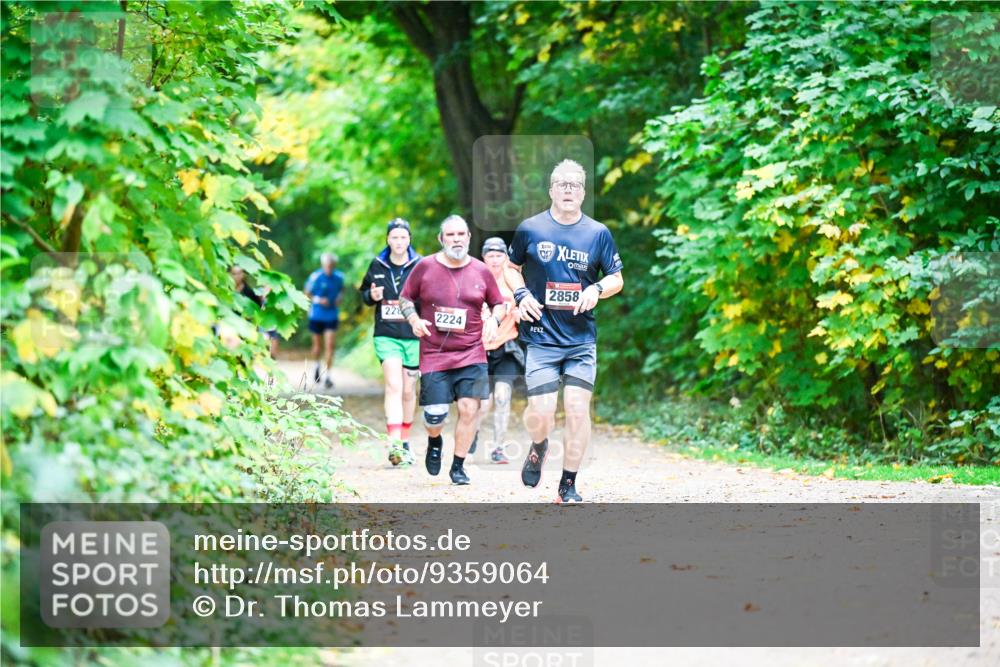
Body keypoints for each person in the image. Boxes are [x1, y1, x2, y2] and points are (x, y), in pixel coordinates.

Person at [506, 159, 624, 504]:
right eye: (562, 184)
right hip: (541, 339)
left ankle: (568, 485)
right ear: (551, 190)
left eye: (575, 184)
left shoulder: (598, 233)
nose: (569, 189)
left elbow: (617, 278)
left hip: (580, 341)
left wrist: (597, 289)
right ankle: (539, 445)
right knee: (541, 414)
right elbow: (511, 269)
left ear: (583, 192)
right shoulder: (530, 228)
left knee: (576, 408)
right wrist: (521, 293)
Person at [399, 215, 506, 485]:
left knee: (470, 408)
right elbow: (405, 297)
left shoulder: (481, 271)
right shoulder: (425, 267)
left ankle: (458, 466)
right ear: (441, 239)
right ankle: (434, 441)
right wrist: (413, 319)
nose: (456, 239)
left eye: (461, 234)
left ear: (469, 237)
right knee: (435, 415)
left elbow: (499, 304)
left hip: (472, 351)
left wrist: (494, 320)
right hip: (435, 352)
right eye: (451, 235)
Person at [360, 218, 422, 466]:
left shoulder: (419, 265)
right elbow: (363, 294)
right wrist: (370, 295)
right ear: (388, 239)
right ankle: (394, 444)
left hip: (413, 337)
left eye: (403, 237)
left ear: (409, 239)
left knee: (409, 391)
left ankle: (405, 440)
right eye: (394, 237)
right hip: (386, 335)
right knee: (394, 386)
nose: (398, 242)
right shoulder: (377, 264)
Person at [473, 236, 524, 465]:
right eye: (490, 256)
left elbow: (524, 308)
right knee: (483, 404)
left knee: (503, 397)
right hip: (479, 350)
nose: (495, 260)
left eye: (499, 255)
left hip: (506, 348)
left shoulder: (513, 279)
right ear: (484, 257)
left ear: (505, 257)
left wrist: (521, 316)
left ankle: (498, 448)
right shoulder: (474, 278)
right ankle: (471, 436)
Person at [304, 252, 345, 390]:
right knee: (317, 347)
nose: (329, 268)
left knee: (330, 346)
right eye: (327, 265)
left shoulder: (339, 277)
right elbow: (306, 293)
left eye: (331, 265)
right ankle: (316, 365)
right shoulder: (315, 277)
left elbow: (342, 290)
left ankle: (328, 376)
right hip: (316, 315)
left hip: (331, 315)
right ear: (323, 265)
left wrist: (339, 297)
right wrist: (319, 300)